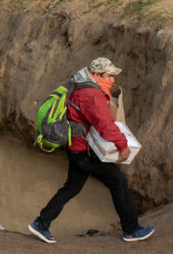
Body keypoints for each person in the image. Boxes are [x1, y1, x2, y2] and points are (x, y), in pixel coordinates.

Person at [28, 57, 155, 243]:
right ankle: (132, 230)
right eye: (108, 76)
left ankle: (41, 224)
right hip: (85, 152)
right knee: (117, 182)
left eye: (113, 76)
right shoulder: (91, 95)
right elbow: (105, 125)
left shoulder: (79, 83)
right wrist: (123, 146)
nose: (112, 80)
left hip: (76, 148)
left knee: (71, 188)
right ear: (96, 74)